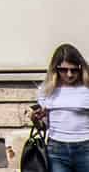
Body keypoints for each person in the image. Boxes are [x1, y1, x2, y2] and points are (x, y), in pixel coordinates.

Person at [33, 44, 89, 172]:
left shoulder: (86, 88)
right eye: (64, 70)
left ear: (81, 68)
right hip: (57, 150)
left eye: (74, 70)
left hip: (85, 148)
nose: (69, 74)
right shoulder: (46, 90)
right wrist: (35, 119)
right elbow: (43, 126)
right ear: (55, 69)